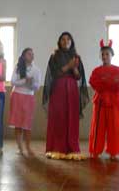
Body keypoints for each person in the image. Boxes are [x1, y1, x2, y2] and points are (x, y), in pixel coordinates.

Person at [43, 32, 89, 160]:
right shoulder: (54, 57)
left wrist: (74, 68)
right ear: (59, 42)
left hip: (72, 90)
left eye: (68, 39)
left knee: (72, 117)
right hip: (58, 89)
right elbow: (54, 74)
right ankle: (57, 147)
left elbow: (79, 77)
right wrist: (69, 66)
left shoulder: (76, 57)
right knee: (59, 117)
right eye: (63, 39)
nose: (66, 41)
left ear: (72, 42)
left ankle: (72, 147)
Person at [88, 40, 119, 159]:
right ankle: (95, 151)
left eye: (107, 54)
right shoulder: (96, 71)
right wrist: (110, 82)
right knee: (97, 128)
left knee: (114, 128)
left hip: (113, 103)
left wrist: (106, 82)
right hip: (100, 103)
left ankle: (113, 152)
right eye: (103, 54)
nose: (105, 56)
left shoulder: (118, 70)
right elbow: (95, 84)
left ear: (112, 55)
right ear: (100, 56)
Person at [8, 48, 41, 156]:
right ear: (23, 56)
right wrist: (25, 80)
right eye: (29, 54)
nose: (31, 56)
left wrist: (31, 84)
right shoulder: (18, 67)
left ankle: (28, 147)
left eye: (33, 54)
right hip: (17, 96)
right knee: (18, 124)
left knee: (27, 125)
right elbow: (13, 81)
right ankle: (20, 147)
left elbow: (37, 87)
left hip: (29, 97)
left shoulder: (36, 70)